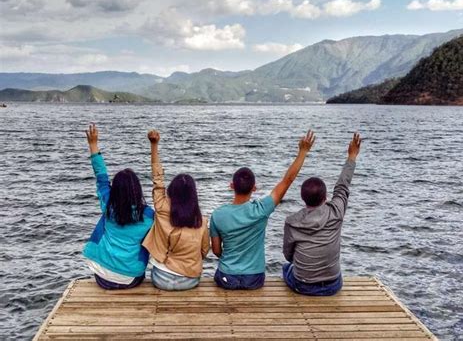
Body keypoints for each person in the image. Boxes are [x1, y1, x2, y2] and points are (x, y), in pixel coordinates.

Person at [210, 130, 316, 290]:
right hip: (254, 279)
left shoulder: (217, 215)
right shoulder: (262, 209)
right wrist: (303, 152)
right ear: (254, 188)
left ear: (231, 186)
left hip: (227, 277)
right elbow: (287, 180)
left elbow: (217, 251)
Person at [282, 132, 362, 296]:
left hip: (302, 285)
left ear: (303, 199)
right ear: (325, 198)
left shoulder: (292, 222)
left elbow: (288, 255)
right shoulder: (336, 211)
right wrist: (352, 156)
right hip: (333, 284)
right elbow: (342, 186)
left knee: (286, 267)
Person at [83, 124, 154, 290]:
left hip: (102, 277)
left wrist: (93, 145)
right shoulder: (149, 216)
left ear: (115, 189)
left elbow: (101, 178)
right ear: (138, 190)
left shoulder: (108, 205)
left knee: (105, 220)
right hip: (131, 279)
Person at [142, 130, 210, 291]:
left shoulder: (161, 207)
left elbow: (157, 180)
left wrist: (154, 146)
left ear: (171, 191)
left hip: (161, 278)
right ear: (194, 196)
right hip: (189, 280)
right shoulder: (201, 221)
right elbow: (204, 251)